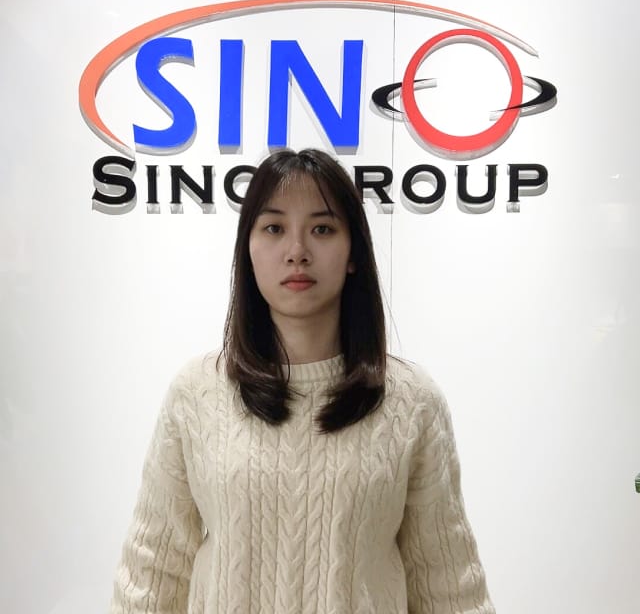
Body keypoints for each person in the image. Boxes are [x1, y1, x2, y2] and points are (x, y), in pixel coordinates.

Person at [108, 148, 496, 613]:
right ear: (248, 250)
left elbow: (447, 582)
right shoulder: (196, 393)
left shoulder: (412, 402)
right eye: (274, 228)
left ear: (353, 253)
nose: (297, 251)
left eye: (322, 229)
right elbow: (154, 570)